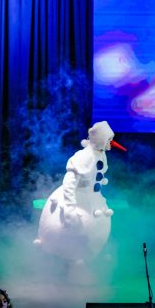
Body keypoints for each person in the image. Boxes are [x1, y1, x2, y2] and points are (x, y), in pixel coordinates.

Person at [34, 121, 126, 284]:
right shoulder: (84, 157)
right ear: (101, 140)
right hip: (78, 201)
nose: (111, 143)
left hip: (93, 199)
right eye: (109, 139)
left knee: (88, 237)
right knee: (71, 236)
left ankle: (78, 271)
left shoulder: (100, 154)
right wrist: (69, 209)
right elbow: (69, 182)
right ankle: (64, 272)